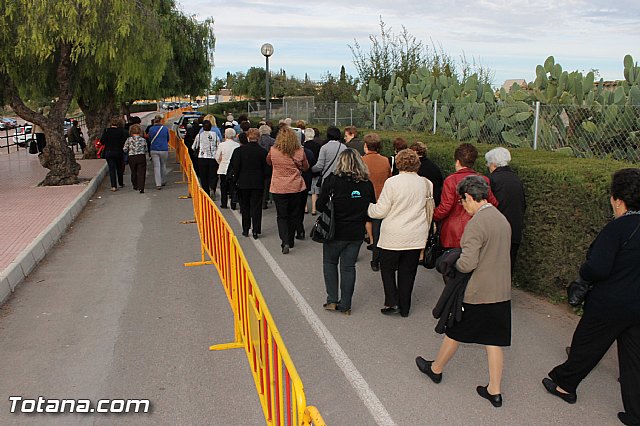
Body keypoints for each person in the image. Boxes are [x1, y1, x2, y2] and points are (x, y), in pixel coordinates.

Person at [542, 168, 640, 425]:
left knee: (586, 345)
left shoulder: (618, 228)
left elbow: (597, 268)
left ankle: (565, 384)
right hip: (637, 307)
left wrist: (584, 271)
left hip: (610, 302)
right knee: (634, 359)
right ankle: (635, 413)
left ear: (619, 200)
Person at [416, 175, 512, 408]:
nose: (463, 206)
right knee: (494, 340)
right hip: (500, 291)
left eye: (462, 202)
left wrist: (453, 263)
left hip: (478, 291)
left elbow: (468, 263)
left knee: (456, 330)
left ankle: (436, 369)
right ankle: (494, 390)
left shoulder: (477, 223)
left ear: (469, 197)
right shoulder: (501, 219)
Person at [368, 149, 435, 317]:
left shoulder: (393, 182)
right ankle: (405, 307)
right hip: (416, 235)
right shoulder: (426, 183)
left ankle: (392, 302)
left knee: (388, 269)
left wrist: (369, 208)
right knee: (408, 272)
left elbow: (381, 211)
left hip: (393, 235)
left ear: (398, 163)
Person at [319, 149, 375, 315]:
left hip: (334, 231)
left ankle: (332, 300)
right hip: (356, 232)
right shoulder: (366, 183)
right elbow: (372, 207)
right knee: (348, 267)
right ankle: (346, 305)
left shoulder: (332, 180)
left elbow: (321, 205)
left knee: (330, 263)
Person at [433, 143, 498, 250]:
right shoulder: (483, 179)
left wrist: (433, 216)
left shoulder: (451, 180)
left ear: (457, 161)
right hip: (478, 228)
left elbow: (446, 207)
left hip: (454, 231)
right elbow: (493, 203)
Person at [266, 127, 309, 254]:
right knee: (293, 214)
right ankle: (290, 239)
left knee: (282, 215)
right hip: (295, 186)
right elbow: (306, 167)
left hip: (278, 186)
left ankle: (284, 241)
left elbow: (268, 162)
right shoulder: (300, 151)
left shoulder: (273, 151)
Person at [485, 147, 526, 273]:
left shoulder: (493, 180)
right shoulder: (516, 179)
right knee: (508, 268)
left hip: (498, 230)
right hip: (515, 229)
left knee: (493, 268)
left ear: (493, 164)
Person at [361, 133, 391, 272]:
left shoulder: (361, 160)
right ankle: (377, 259)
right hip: (382, 199)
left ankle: (373, 257)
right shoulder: (385, 160)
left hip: (365, 198)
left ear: (366, 146)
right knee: (379, 231)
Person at [232, 128, 269, 239]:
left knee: (245, 206)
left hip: (243, 182)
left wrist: (236, 180)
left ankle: (245, 228)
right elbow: (267, 170)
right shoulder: (263, 152)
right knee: (256, 207)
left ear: (248, 137)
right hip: (258, 183)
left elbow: (236, 167)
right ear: (258, 138)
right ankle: (256, 230)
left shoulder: (239, 151)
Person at [311, 126, 347, 192]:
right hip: (340, 178)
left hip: (326, 179)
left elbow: (319, 166)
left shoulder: (324, 147)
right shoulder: (344, 147)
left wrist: (311, 169)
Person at [192, 120, 220, 198]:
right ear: (211, 127)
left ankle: (206, 192)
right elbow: (219, 145)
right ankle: (212, 188)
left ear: (203, 127)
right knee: (213, 175)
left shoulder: (199, 135)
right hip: (213, 157)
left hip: (202, 157)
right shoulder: (215, 135)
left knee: (203, 176)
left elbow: (193, 147)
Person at [410, 141, 444, 206]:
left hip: (419, 202)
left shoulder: (414, 167)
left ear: (415, 152)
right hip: (434, 201)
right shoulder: (434, 166)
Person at [100, 117, 129, 191]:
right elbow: (124, 141)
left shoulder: (106, 131)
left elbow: (102, 141)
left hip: (109, 152)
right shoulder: (122, 131)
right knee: (119, 168)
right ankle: (121, 183)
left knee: (111, 169)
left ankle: (113, 186)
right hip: (119, 151)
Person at [215, 128, 240, 209]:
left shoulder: (222, 145)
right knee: (233, 187)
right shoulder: (237, 145)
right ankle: (233, 204)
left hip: (223, 168)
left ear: (225, 135)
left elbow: (217, 157)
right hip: (233, 169)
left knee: (223, 187)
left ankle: (224, 203)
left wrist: (220, 163)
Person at [122, 124, 147, 193]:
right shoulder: (143, 139)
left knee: (134, 171)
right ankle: (141, 187)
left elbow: (125, 149)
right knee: (141, 172)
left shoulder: (129, 139)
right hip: (141, 156)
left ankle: (135, 185)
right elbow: (146, 149)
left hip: (132, 157)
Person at [147, 115, 170, 190]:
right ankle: (163, 180)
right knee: (163, 165)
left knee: (156, 166)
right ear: (161, 121)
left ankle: (158, 184)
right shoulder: (165, 128)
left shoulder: (151, 129)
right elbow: (168, 138)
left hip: (154, 149)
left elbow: (150, 138)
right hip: (164, 149)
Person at [304, 128, 322, 215]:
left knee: (305, 190)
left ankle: (305, 208)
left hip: (306, 170)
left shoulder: (303, 146)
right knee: (314, 190)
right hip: (315, 170)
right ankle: (314, 209)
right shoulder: (318, 146)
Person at [258, 125, 275, 209]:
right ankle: (264, 201)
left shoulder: (258, 141)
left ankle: (259, 200)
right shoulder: (272, 141)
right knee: (266, 184)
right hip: (269, 164)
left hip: (258, 164)